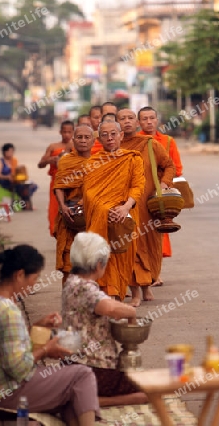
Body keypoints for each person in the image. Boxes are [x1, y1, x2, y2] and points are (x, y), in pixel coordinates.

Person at [0, 244, 99, 426]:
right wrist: (47, 349)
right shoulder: (8, 310)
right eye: (34, 278)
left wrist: (37, 327)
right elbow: (18, 367)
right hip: (7, 392)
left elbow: (9, 347)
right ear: (19, 275)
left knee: (71, 388)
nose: (34, 284)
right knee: (82, 374)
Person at [63, 118, 145, 300]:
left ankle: (123, 292)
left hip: (126, 213)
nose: (110, 138)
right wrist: (105, 209)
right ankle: (107, 295)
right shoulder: (93, 162)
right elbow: (89, 192)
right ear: (99, 138)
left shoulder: (132, 158)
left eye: (113, 134)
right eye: (105, 135)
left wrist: (124, 207)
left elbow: (138, 186)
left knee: (124, 254)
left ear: (121, 135)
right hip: (100, 215)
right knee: (101, 254)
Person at [62, 232, 147, 406]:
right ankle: (98, 400)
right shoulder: (84, 287)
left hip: (73, 364)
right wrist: (131, 312)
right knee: (146, 390)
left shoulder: (71, 282)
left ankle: (85, 397)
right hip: (91, 368)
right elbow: (108, 307)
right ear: (99, 265)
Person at [117, 109, 175, 306]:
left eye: (130, 118)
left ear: (137, 122)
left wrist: (165, 184)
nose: (127, 122)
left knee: (150, 247)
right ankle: (134, 292)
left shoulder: (150, 144)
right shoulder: (114, 147)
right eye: (122, 119)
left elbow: (169, 165)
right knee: (130, 248)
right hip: (125, 207)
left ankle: (147, 284)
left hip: (148, 206)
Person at [138, 106, 184, 284]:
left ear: (157, 120)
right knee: (140, 234)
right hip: (139, 193)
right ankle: (142, 272)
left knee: (158, 234)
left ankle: (155, 273)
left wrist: (162, 184)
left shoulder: (167, 141)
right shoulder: (134, 142)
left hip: (160, 195)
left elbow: (176, 168)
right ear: (139, 122)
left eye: (152, 118)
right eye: (144, 119)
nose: (149, 122)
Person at [54, 125, 95, 286]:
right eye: (79, 137)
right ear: (73, 140)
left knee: (92, 259)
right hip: (69, 214)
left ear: (93, 140)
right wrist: (63, 206)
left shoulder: (99, 161)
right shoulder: (66, 160)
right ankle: (68, 299)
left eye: (87, 137)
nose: (83, 141)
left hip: (91, 215)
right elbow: (59, 185)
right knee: (69, 259)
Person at [37, 121, 74, 236]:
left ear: (73, 132)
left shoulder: (76, 146)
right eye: (64, 132)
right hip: (56, 183)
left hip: (72, 182)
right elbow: (40, 164)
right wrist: (50, 160)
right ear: (60, 132)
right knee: (54, 210)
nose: (67, 135)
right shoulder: (53, 147)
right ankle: (57, 233)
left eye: (69, 132)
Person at [0, 143, 37, 210]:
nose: (11, 153)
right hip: (5, 182)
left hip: (14, 180)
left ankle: (25, 202)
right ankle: (25, 204)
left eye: (12, 151)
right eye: (9, 151)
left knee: (32, 185)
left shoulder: (14, 160)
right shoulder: (0, 161)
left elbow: (16, 172)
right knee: (22, 187)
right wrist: (7, 177)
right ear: (4, 152)